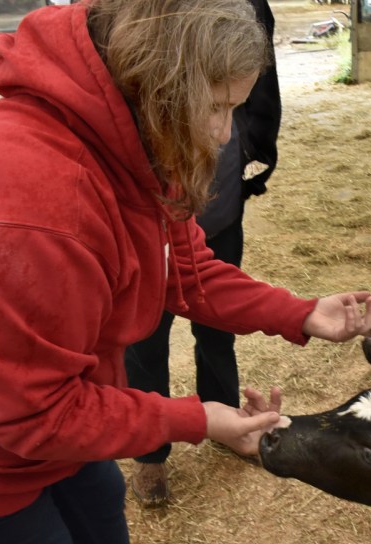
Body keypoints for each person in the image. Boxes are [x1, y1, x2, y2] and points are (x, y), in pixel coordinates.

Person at [0, 1, 371, 544]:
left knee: (101, 505)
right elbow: (34, 416)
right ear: (158, 87)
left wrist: (298, 311)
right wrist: (200, 417)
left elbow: (185, 267)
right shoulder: (38, 210)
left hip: (54, 406)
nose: (226, 134)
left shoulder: (129, 140)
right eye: (218, 107)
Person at [125, 0, 281, 508]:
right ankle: (150, 456)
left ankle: (225, 419)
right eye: (220, 112)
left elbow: (260, 85)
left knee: (217, 325)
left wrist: (254, 147)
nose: (224, 126)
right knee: (144, 334)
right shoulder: (146, 19)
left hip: (215, 198)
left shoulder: (245, 11)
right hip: (152, 194)